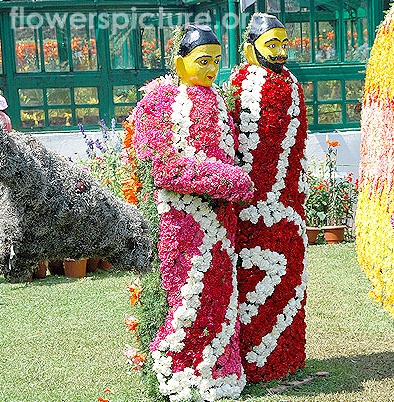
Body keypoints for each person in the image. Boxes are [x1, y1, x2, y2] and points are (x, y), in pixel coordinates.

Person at [128, 25, 253, 401]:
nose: (212, 69)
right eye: (203, 61)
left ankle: (221, 373)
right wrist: (230, 179)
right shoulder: (159, 101)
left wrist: (232, 181)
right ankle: (180, 377)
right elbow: (163, 166)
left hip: (221, 224)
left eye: (217, 61)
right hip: (181, 224)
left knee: (220, 298)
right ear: (179, 62)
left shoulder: (217, 99)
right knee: (188, 301)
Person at [229, 13, 309, 383]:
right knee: (254, 281)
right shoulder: (241, 84)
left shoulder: (292, 84)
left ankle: (286, 357)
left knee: (290, 278)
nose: (278, 52)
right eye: (270, 44)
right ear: (250, 49)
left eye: (282, 43)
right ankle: (253, 360)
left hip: (289, 203)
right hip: (251, 206)